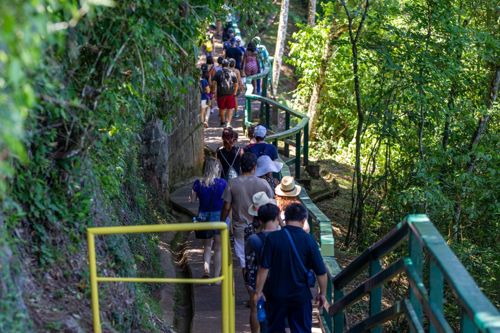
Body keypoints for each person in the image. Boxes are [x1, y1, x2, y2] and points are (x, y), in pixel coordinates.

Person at [254, 203, 328, 333]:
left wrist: (258, 292)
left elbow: (263, 268)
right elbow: (321, 272)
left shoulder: (273, 238)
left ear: (285, 219)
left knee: (274, 329)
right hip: (300, 295)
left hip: (275, 294)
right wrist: (322, 293)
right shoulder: (309, 240)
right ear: (304, 220)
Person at [221, 152, 274, 277]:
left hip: (240, 229)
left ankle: (251, 292)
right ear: (255, 167)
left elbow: (226, 207)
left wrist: (222, 222)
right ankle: (261, 291)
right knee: (263, 262)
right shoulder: (263, 184)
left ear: (240, 167)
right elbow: (272, 205)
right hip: (261, 229)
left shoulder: (232, 184)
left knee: (245, 264)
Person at [190, 158, 227, 278]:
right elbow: (227, 201)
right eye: (217, 167)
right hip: (218, 217)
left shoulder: (198, 183)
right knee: (218, 248)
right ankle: (217, 277)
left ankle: (206, 270)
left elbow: (193, 200)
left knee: (206, 246)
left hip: (203, 216)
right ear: (214, 168)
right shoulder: (223, 183)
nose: (219, 169)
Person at [245, 203, 280, 333]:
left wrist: (250, 283)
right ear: (277, 217)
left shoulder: (253, 239)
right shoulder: (282, 237)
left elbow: (248, 262)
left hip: (257, 281)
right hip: (278, 281)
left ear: (259, 220)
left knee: (256, 311)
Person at [213, 59, 238, 127]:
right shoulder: (232, 73)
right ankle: (228, 123)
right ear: (228, 65)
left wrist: (214, 92)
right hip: (230, 93)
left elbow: (214, 83)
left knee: (222, 108)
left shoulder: (218, 72)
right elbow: (236, 84)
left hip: (221, 93)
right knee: (230, 108)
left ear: (222, 65)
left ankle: (222, 121)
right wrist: (235, 92)